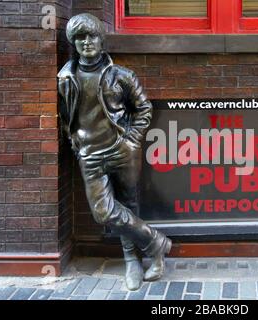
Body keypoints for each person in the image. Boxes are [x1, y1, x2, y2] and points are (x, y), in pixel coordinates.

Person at [57, 13, 171, 291]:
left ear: (101, 39)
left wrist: (131, 139)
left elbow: (144, 108)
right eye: (80, 38)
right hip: (90, 156)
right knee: (104, 212)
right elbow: (65, 116)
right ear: (73, 43)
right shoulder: (65, 78)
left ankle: (132, 260)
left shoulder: (121, 75)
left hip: (122, 151)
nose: (86, 42)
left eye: (92, 36)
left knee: (129, 204)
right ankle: (156, 243)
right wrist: (76, 141)